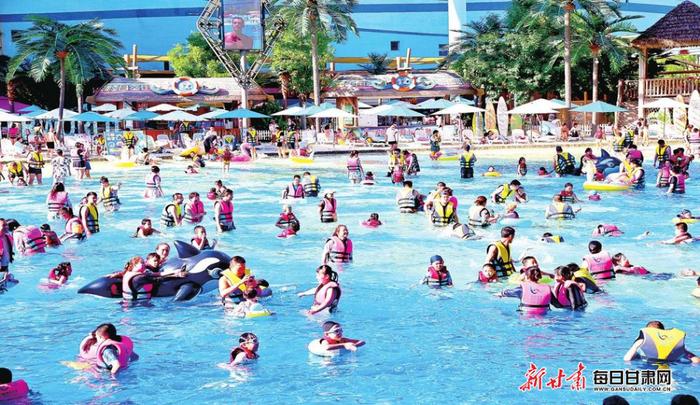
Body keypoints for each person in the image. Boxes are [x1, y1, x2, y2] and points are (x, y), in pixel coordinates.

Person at [623, 321, 700, 363]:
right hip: (671, 364)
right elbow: (696, 360)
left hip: (647, 364)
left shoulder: (641, 341)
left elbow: (627, 359)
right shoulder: (673, 344)